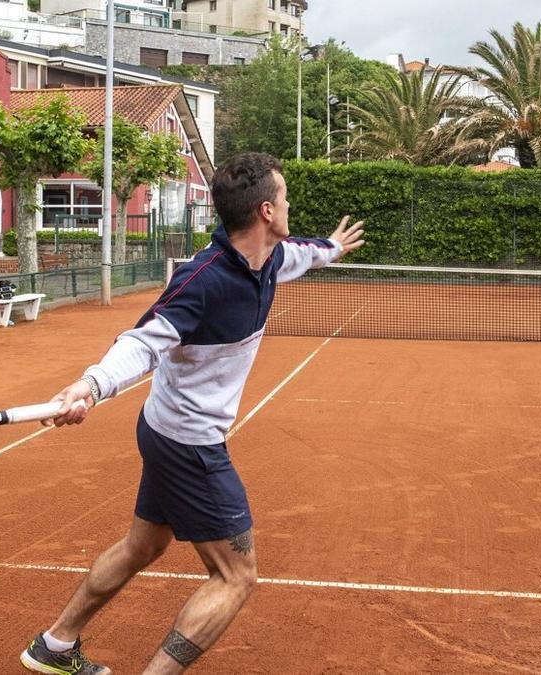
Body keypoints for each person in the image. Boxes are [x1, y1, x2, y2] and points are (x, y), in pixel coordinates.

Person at [20, 152, 366, 675]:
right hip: (190, 443)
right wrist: (91, 384)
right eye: (286, 196)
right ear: (267, 212)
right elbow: (143, 341)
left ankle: (55, 644)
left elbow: (305, 254)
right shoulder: (202, 279)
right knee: (237, 575)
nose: (291, 204)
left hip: (164, 428)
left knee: (143, 544)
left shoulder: (269, 258)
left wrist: (333, 247)